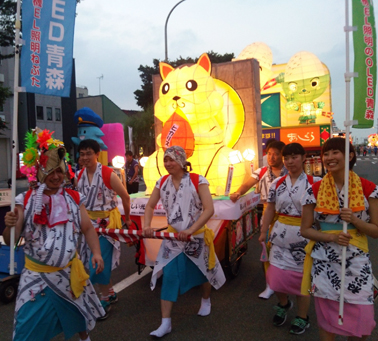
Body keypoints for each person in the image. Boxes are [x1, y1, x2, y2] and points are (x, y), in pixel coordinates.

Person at [3, 134, 105, 341]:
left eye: (60, 170)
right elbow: (10, 241)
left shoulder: (74, 197)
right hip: (37, 277)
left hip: (69, 271)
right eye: (50, 171)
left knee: (78, 312)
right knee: (26, 327)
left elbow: (87, 228)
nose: (56, 176)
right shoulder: (26, 200)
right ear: (39, 171)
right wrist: (10, 225)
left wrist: (96, 252)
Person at [143, 146, 226, 338]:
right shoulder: (162, 182)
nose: (168, 163)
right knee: (169, 276)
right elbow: (150, 205)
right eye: (165, 159)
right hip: (173, 239)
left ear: (181, 161)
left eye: (171, 159)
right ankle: (165, 323)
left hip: (195, 236)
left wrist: (190, 229)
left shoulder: (198, 181)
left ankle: (206, 300)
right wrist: (147, 225)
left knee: (203, 272)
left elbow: (208, 209)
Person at [300, 138, 378, 340]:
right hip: (326, 265)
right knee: (327, 321)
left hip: (357, 264)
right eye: (326, 154)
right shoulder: (314, 190)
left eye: (335, 152)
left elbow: (376, 230)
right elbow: (305, 229)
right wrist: (332, 237)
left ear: (350, 155)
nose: (329, 158)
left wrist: (354, 220)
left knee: (362, 319)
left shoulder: (368, 188)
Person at [259, 143, 321, 335]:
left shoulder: (316, 182)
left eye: (294, 157)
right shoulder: (277, 183)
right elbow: (270, 208)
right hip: (279, 235)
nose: (290, 161)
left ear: (304, 158)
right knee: (275, 277)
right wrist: (263, 231)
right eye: (287, 158)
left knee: (302, 280)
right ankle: (284, 303)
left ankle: (303, 317)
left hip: (305, 237)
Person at [76, 139, 132, 319]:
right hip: (88, 224)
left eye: (88, 153)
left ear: (97, 154)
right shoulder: (78, 176)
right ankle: (110, 291)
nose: (85, 157)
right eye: (82, 154)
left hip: (107, 223)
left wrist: (128, 219)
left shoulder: (108, 174)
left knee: (98, 262)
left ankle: (105, 297)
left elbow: (125, 196)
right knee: (92, 260)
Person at [230, 140, 287, 299]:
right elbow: (246, 185)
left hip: (288, 218)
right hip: (267, 217)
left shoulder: (290, 171)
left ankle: (286, 282)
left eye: (276, 154)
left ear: (283, 156)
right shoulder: (261, 172)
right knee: (266, 251)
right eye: (269, 154)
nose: (272, 157)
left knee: (287, 250)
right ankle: (269, 284)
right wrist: (237, 193)